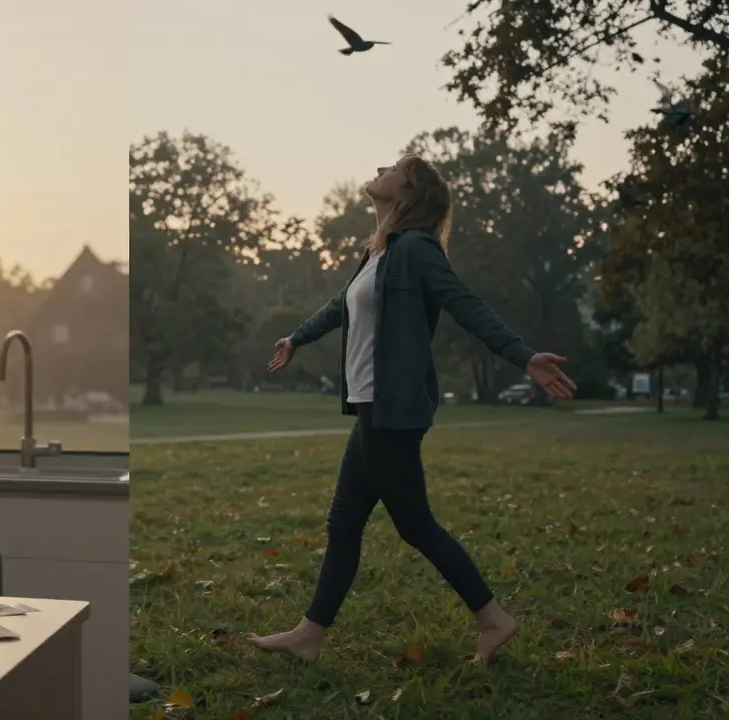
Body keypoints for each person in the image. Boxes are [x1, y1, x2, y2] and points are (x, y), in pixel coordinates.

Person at [246, 155, 576, 666]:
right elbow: (340, 305)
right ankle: (309, 636)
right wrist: (296, 336)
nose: (381, 167)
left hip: (392, 405)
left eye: (395, 166)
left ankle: (492, 618)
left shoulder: (418, 248)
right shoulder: (379, 252)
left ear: (409, 192)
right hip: (370, 405)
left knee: (414, 523)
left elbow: (466, 303)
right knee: (344, 522)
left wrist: (524, 356)